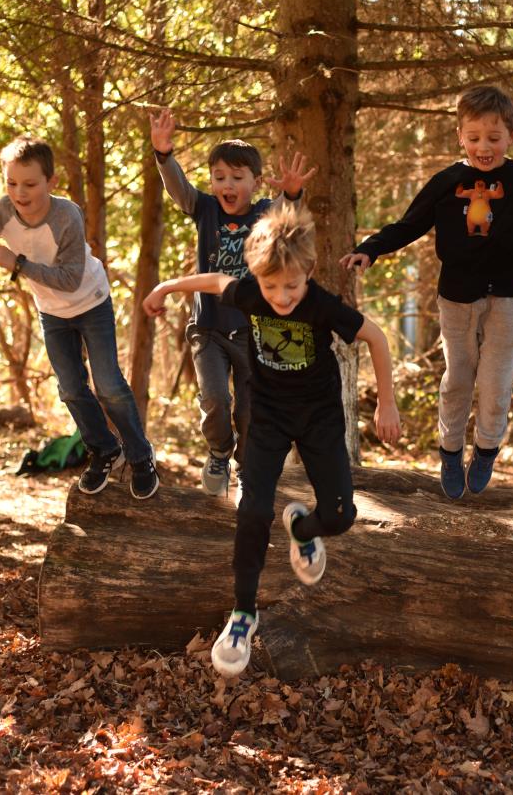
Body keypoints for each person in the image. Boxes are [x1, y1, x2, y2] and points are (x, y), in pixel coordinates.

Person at [143, 201, 401, 677]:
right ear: (258, 277)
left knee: (341, 517)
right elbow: (215, 282)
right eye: (271, 286)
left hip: (319, 418)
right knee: (253, 512)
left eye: (292, 286)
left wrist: (386, 402)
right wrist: (165, 287)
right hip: (267, 418)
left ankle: (303, 529)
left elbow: (378, 337)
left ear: (309, 272)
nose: (281, 297)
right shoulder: (251, 293)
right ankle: (244, 613)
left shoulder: (321, 304)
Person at [340, 85, 513, 499]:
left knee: (496, 384)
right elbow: (408, 225)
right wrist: (369, 249)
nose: (485, 147)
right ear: (460, 136)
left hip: (508, 298)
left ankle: (485, 449)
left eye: (494, 139)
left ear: (511, 136)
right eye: (475, 137)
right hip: (458, 298)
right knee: (458, 379)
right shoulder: (447, 182)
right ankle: (450, 449)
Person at [0, 134, 159, 499]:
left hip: (90, 302)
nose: (19, 193)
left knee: (107, 385)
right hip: (52, 313)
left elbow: (68, 278)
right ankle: (104, 450)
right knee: (71, 388)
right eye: (11, 183)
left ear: (51, 182)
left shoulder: (66, 217)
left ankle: (140, 456)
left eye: (30, 184)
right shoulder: (6, 208)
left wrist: (19, 264)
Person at [149, 108, 316, 496]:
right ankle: (219, 451)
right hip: (207, 327)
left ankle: (243, 465)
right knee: (214, 398)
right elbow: (179, 189)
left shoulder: (261, 213)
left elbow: (286, 208)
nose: (226, 184)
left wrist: (291, 191)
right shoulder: (205, 209)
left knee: (249, 408)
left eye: (236, 178)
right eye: (219, 177)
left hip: (251, 332)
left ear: (254, 183)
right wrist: (163, 155)